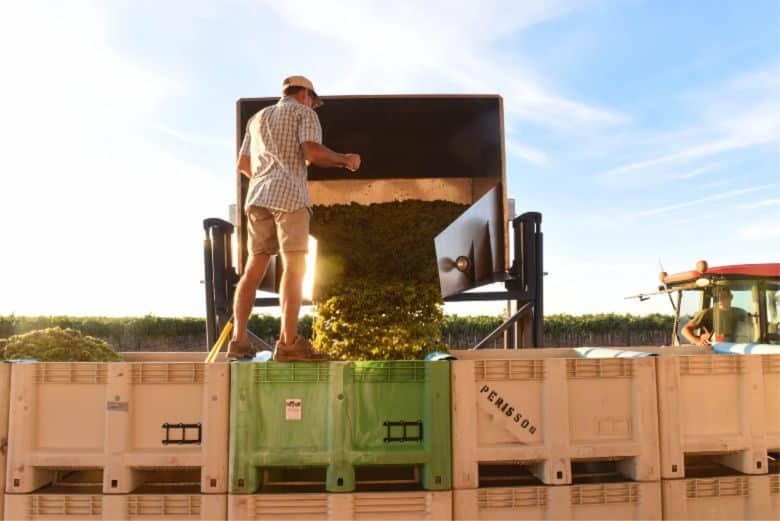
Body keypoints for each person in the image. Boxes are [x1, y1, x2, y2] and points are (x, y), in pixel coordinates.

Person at [228, 76, 361, 361]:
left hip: (258, 197)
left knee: (255, 266)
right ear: (304, 94)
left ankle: (238, 340)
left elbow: (243, 164)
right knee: (295, 266)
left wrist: (267, 178)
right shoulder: (304, 112)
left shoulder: (257, 118)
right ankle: (288, 344)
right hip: (290, 195)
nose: (314, 104)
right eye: (314, 99)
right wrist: (345, 159)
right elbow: (312, 151)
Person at [682, 287, 748, 345]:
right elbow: (685, 330)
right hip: (714, 349)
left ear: (731, 297)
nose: (720, 299)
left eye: (723, 296)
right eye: (717, 297)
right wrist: (698, 341)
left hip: (738, 348)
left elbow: (750, 332)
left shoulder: (740, 313)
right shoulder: (707, 313)